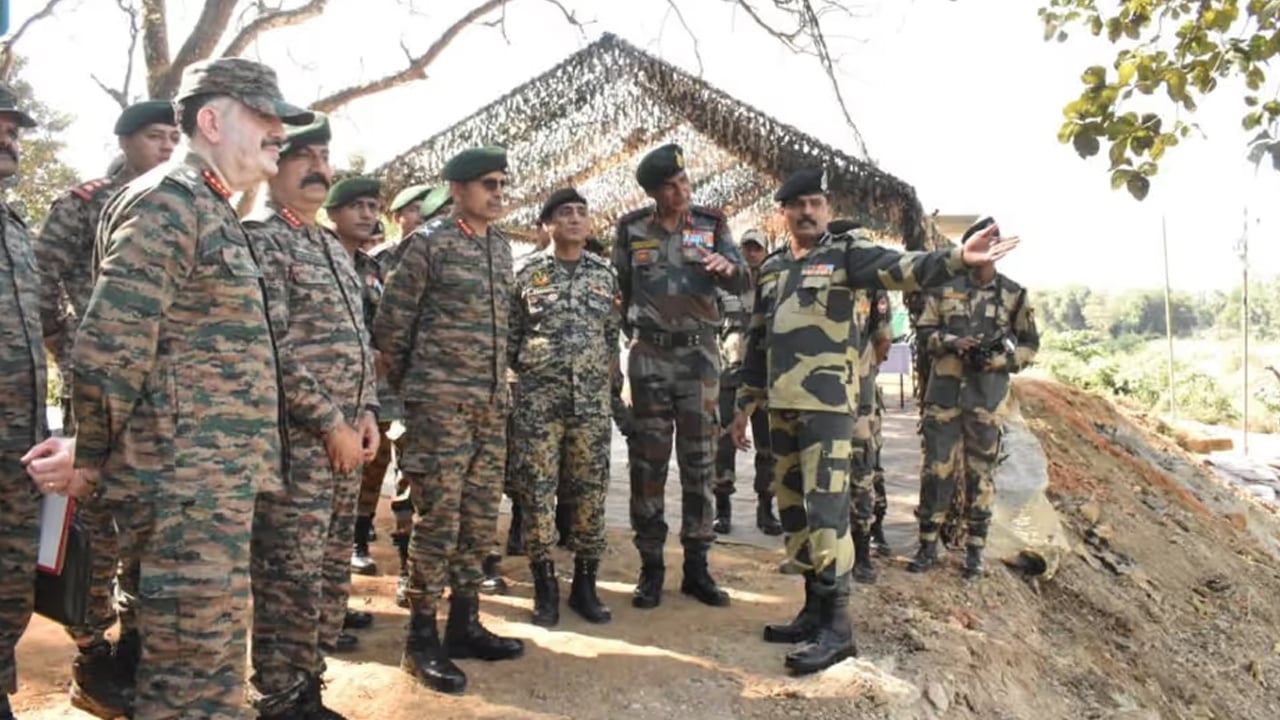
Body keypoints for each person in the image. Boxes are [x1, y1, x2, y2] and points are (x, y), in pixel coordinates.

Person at [71, 57, 313, 719]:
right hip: (183, 492)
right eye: (263, 119)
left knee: (201, 675)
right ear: (210, 120)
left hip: (208, 489)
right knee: (190, 686)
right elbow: (109, 343)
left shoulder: (205, 205)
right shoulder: (170, 202)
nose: (277, 135)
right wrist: (89, 454)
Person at [730, 168, 1018, 675]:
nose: (809, 212)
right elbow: (757, 340)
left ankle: (838, 629)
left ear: (825, 207)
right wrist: (744, 404)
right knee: (793, 508)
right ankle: (813, 608)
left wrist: (957, 257)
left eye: (817, 203)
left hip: (829, 407)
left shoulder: (845, 256)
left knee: (826, 513)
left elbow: (903, 267)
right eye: (798, 204)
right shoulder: (772, 269)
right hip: (782, 406)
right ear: (784, 213)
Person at [34, 98, 179, 718]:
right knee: (95, 534)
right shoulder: (84, 204)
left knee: (154, 528)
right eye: (154, 136)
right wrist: (77, 355)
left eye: (175, 136)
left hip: (168, 405)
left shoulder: (185, 206)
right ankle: (92, 656)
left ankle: (139, 648)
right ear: (124, 142)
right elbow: (37, 289)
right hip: (101, 400)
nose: (168, 146)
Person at [241, 116, 380, 719]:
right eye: (303, 155)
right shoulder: (261, 239)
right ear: (274, 164)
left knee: (326, 574)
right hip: (298, 446)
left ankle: (308, 687)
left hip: (347, 442)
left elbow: (358, 338)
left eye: (324, 154)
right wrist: (330, 422)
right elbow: (271, 348)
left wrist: (367, 409)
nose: (319, 166)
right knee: (288, 579)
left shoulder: (328, 244)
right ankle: (278, 696)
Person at [374, 146, 524, 695]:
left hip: (489, 406)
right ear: (457, 189)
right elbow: (391, 328)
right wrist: (414, 395)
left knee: (479, 519)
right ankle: (420, 638)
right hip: (439, 408)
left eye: (502, 183)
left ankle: (464, 623)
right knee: (437, 522)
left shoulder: (501, 247)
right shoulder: (428, 244)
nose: (498, 192)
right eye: (488, 183)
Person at [611, 143, 749, 610]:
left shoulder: (712, 225)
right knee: (647, 465)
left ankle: (697, 569)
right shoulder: (631, 230)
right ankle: (651, 570)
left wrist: (729, 269)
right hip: (649, 360)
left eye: (684, 182)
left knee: (700, 464)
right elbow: (620, 293)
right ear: (654, 192)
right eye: (670, 186)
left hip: (699, 363)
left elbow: (742, 278)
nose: (681, 191)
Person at [0, 82, 80, 720]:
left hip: (17, 444)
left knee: (9, 581)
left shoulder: (16, 229)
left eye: (15, 129)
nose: (11, 138)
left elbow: (46, 326)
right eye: (0, 126)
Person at [508, 188, 620, 627]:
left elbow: (609, 335)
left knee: (590, 493)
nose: (574, 219)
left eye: (580, 212)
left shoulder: (605, 274)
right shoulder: (525, 273)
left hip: (590, 405)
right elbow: (512, 339)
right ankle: (545, 587)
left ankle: (585, 587)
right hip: (539, 405)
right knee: (536, 493)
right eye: (564, 213)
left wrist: (605, 385)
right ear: (547, 225)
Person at [907, 216, 1039, 578]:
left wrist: (1001, 360)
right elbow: (923, 332)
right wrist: (951, 342)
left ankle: (975, 552)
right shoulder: (943, 289)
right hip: (944, 397)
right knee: (937, 472)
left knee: (981, 476)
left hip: (986, 397)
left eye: (994, 245)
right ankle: (927, 545)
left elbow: (1031, 344)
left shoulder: (1013, 293)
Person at [362, 184, 452, 608]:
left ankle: (419, 566)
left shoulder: (443, 255)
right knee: (385, 473)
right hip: (390, 385)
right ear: (398, 216)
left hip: (433, 385)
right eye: (413, 210)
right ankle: (377, 550)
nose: (421, 217)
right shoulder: (380, 262)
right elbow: (380, 326)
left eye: (426, 210)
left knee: (423, 479)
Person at [711, 228, 781, 536]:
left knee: (769, 449)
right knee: (724, 445)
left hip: (765, 382)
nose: (752, 254)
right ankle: (722, 509)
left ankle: (766, 509)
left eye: (757, 249)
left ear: (765, 252)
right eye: (747, 248)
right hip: (729, 380)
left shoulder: (774, 290)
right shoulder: (723, 290)